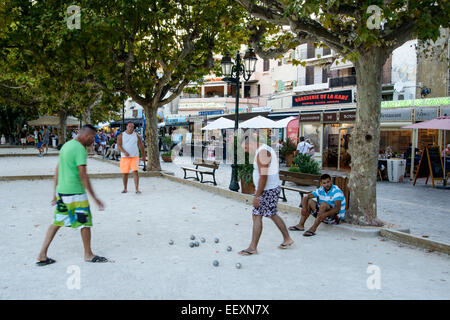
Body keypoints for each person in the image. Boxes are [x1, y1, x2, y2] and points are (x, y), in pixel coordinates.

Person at [36, 124, 107, 266]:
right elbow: (83, 175)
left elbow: (57, 170)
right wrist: (95, 198)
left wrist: (54, 193)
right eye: (93, 137)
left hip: (62, 192)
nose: (94, 139)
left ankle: (42, 254)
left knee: (57, 222)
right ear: (86, 135)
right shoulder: (80, 150)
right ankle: (88, 254)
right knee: (84, 222)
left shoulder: (67, 146)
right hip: (75, 194)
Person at [238, 134, 294, 255]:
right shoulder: (264, 150)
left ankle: (253, 247)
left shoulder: (262, 153)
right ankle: (287, 238)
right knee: (271, 214)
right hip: (270, 189)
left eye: (246, 149)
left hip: (267, 190)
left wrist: (257, 195)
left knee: (257, 215)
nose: (247, 152)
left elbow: (263, 177)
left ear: (250, 144)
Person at [117, 122, 146, 194]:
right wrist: (124, 152)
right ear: (126, 126)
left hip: (135, 156)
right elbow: (119, 146)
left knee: (135, 172)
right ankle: (125, 188)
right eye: (129, 126)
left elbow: (141, 146)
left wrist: (143, 156)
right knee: (125, 173)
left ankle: (137, 189)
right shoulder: (121, 135)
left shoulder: (136, 135)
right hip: (124, 157)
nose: (131, 128)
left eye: (132, 127)